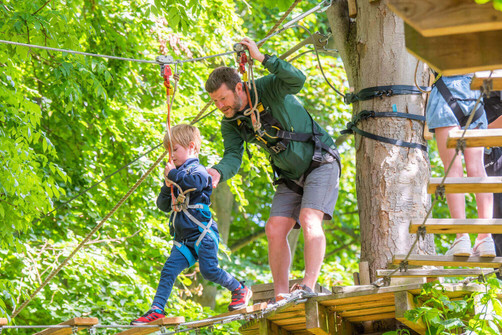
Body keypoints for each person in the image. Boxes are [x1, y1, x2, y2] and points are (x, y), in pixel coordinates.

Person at [204, 37, 341, 299]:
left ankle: (308, 286)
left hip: (320, 160)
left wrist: (263, 59)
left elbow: (297, 80)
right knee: (274, 228)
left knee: (309, 218)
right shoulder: (231, 122)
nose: (221, 106)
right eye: (215, 102)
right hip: (289, 175)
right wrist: (218, 171)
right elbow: (233, 156)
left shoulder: (267, 87)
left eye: (223, 98)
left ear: (239, 87)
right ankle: (280, 295)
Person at [131, 124, 251, 324]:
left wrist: (174, 176)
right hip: (184, 240)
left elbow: (197, 182)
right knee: (169, 269)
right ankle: (157, 309)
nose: (171, 156)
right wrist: (166, 186)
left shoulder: (197, 170)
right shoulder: (177, 175)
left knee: (209, 270)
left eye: (175, 150)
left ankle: (239, 288)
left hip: (203, 234)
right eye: (168, 152)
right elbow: (163, 205)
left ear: (192, 147)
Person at [426, 74, 495, 257]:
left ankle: (462, 237)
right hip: (472, 93)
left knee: (452, 168)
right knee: (477, 168)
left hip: (444, 93)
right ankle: (485, 238)